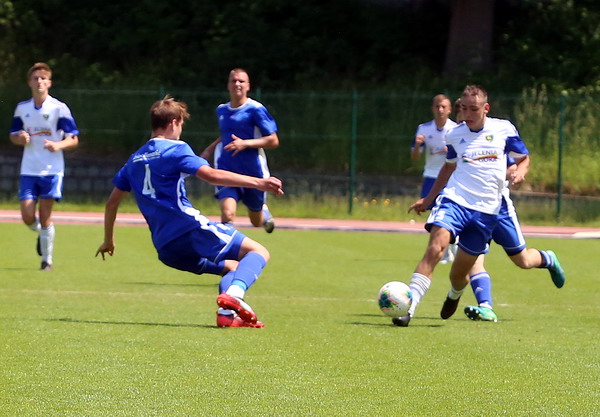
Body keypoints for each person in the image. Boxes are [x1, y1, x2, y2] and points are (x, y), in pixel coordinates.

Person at [95, 96, 284, 328]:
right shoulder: (176, 148)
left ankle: (226, 315)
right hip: (189, 229)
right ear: (174, 122)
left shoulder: (134, 160)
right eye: (181, 124)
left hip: (165, 247)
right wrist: (259, 182)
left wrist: (108, 240)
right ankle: (235, 295)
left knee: (233, 267)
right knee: (258, 252)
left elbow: (111, 203)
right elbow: (211, 175)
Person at [393, 85, 565, 327]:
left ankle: (455, 293)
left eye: (473, 109)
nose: (467, 114)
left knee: (459, 274)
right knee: (435, 249)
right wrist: (429, 199)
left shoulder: (503, 129)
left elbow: (523, 158)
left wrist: (520, 172)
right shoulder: (455, 135)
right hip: (456, 201)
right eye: (464, 108)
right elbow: (449, 166)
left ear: (486, 108)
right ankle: (408, 308)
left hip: (487, 211)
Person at [9, 62, 80, 270]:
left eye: (43, 78)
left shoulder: (59, 108)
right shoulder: (22, 108)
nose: (39, 81)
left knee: (46, 214)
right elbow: (13, 135)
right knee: (27, 215)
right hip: (29, 169)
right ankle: (42, 234)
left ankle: (46, 261)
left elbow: (73, 138)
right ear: (29, 83)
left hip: (52, 170)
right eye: (35, 78)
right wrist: (19, 138)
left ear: (49, 82)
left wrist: (58, 145)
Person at [201, 68, 279, 233]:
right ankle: (227, 247)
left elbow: (273, 140)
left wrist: (245, 144)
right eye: (233, 80)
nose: (237, 84)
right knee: (227, 214)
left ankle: (263, 213)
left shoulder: (256, 109)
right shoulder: (221, 110)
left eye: (241, 81)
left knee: (255, 221)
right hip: (226, 169)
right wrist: (209, 149)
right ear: (228, 85)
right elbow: (226, 135)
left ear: (248, 86)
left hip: (253, 172)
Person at [411, 94, 458, 263]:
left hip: (451, 176)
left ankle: (450, 248)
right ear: (432, 108)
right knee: (434, 214)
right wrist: (417, 145)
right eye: (437, 106)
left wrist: (452, 151)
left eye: (444, 106)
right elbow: (415, 157)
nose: (440, 110)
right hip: (431, 176)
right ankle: (445, 250)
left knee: (449, 212)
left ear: (450, 109)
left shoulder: (455, 129)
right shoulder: (424, 129)